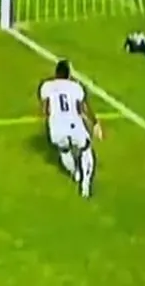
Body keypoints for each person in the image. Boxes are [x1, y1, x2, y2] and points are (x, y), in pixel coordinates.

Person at [38, 59, 103, 198]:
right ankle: (85, 185)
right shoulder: (75, 87)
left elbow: (45, 110)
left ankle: (75, 173)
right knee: (85, 149)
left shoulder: (46, 86)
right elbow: (82, 108)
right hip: (73, 124)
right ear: (68, 74)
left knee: (64, 150)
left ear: (56, 73)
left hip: (56, 128)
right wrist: (95, 122)